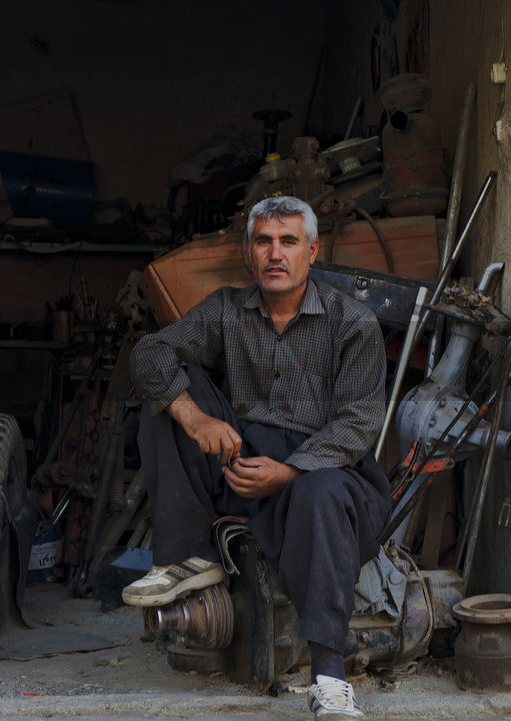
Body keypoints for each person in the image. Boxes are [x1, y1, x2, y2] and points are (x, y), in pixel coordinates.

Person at [125, 196, 390, 720]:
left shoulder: (352, 323)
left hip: (329, 475)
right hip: (245, 464)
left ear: (312, 252)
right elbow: (148, 353)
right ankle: (187, 557)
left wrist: (291, 471)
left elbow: (358, 423)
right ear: (249, 253)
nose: (276, 253)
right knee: (168, 391)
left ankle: (329, 680)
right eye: (264, 241)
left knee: (320, 490)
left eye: (288, 241)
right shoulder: (228, 309)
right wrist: (195, 417)